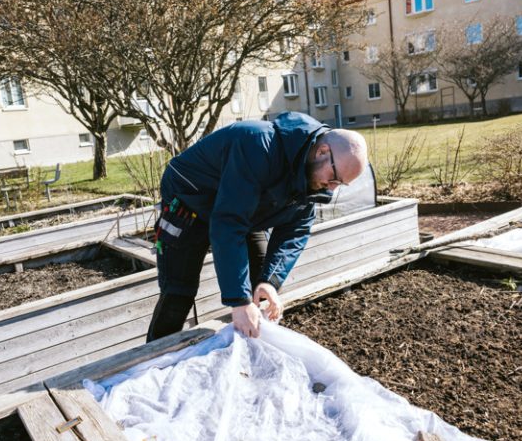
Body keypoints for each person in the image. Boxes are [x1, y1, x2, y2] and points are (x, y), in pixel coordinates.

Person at [146, 111, 368, 342]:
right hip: (191, 199)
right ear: (322, 151)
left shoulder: (313, 177)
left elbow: (296, 230)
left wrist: (269, 281)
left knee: (261, 281)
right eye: (334, 178)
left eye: (340, 184)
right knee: (179, 292)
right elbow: (229, 223)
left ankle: (248, 346)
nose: (332, 188)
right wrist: (239, 302)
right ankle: (149, 362)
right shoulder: (258, 145)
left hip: (244, 205)